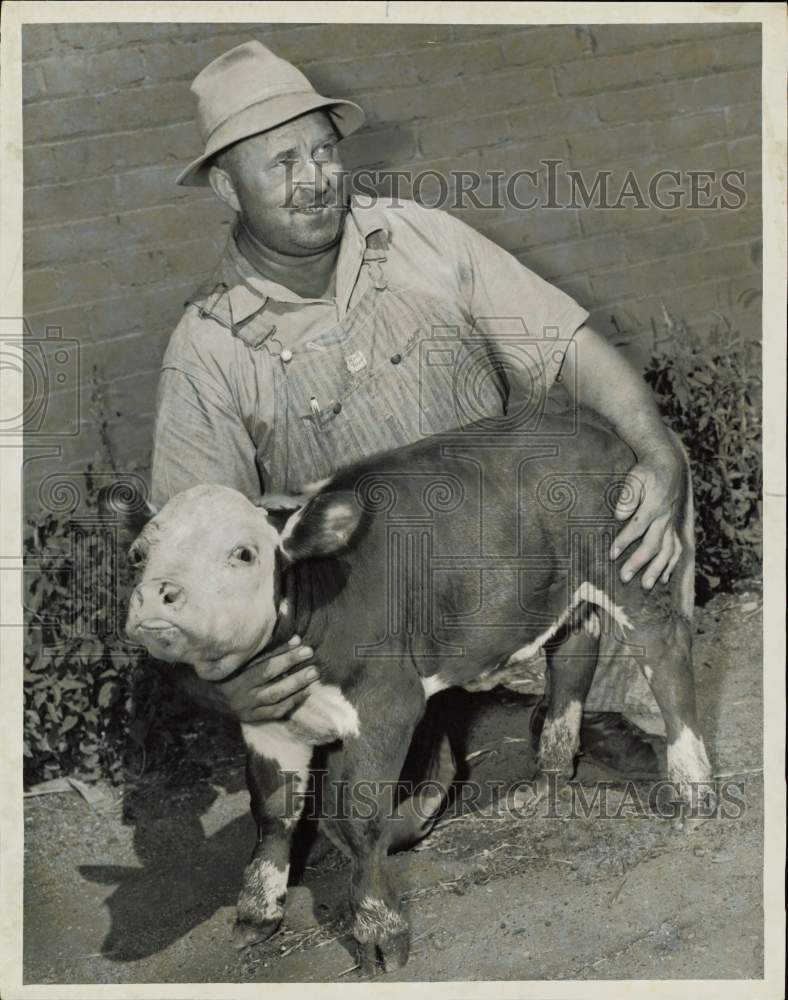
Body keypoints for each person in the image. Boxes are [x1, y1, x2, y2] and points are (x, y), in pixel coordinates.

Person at [150, 40, 687, 774]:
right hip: (374, 639)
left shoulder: (422, 239)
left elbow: (573, 350)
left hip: (514, 571)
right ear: (226, 187)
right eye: (281, 163)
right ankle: (446, 743)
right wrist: (233, 688)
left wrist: (658, 456)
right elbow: (177, 573)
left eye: (324, 151)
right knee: (380, 814)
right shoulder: (207, 349)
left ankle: (573, 703)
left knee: (645, 487)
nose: (315, 179)